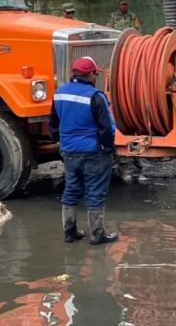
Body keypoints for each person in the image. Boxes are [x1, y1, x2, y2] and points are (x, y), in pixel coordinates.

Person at [50, 56, 118, 246]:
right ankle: (97, 235)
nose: (96, 77)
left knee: (71, 190)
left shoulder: (59, 94)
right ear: (90, 74)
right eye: (95, 74)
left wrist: (61, 143)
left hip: (69, 152)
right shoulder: (96, 96)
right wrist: (108, 148)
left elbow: (53, 125)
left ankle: (70, 233)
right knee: (95, 192)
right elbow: (107, 128)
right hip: (94, 152)